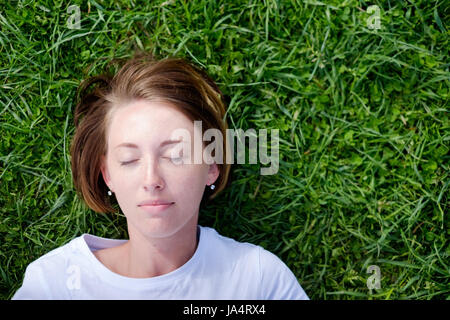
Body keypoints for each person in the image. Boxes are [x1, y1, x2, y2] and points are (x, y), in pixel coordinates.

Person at [12, 51, 309, 300]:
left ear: (212, 165)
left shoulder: (257, 281)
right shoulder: (54, 284)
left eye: (176, 155)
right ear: (107, 174)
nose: (151, 179)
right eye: (129, 159)